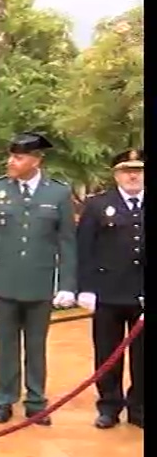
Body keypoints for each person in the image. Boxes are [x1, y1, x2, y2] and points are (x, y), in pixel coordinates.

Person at [0, 132, 77, 426]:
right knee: (5, 346)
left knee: (36, 346)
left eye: (18, 157)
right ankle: (4, 399)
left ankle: (36, 402)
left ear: (36, 160)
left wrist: (67, 284)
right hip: (5, 283)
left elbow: (67, 242)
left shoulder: (57, 192)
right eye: (11, 156)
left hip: (40, 283)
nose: (11, 162)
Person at [76, 149, 145, 430]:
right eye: (127, 170)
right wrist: (86, 288)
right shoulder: (97, 205)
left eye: (138, 170)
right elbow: (85, 249)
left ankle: (139, 408)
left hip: (142, 293)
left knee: (142, 356)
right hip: (107, 292)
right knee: (107, 353)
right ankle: (109, 406)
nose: (133, 175)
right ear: (116, 173)